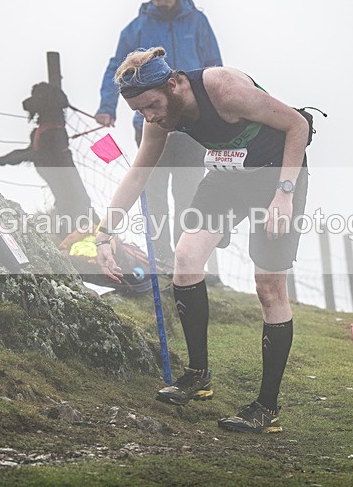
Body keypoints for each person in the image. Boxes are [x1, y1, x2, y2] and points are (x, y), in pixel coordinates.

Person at [94, 47, 312, 434]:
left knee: (269, 288)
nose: (150, 117)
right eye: (139, 111)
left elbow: (298, 125)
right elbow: (139, 171)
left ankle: (266, 408)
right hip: (227, 177)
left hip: (277, 177)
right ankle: (198, 375)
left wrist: (284, 195)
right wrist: (104, 233)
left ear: (173, 85)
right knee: (186, 256)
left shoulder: (224, 89)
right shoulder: (159, 115)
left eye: (152, 106)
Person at [94, 0, 222, 265]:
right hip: (151, 125)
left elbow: (214, 66)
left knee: (189, 194)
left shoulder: (198, 22)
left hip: (191, 127)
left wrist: (215, 112)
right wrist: (107, 106)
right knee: (153, 195)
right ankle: (161, 261)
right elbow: (116, 68)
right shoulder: (137, 28)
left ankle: (187, 261)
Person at [0, 82, 97, 236]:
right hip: (65, 203)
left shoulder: (55, 132)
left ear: (46, 102)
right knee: (66, 227)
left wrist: (9, 159)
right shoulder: (46, 130)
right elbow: (34, 152)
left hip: (76, 205)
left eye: (37, 97)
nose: (29, 102)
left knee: (76, 227)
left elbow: (41, 155)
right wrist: (8, 158)